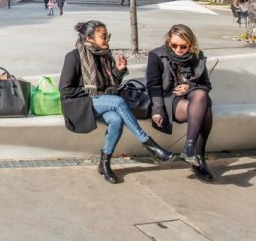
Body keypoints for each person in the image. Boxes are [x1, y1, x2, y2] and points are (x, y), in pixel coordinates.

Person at [59, 20, 176, 184]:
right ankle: (150, 145)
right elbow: (65, 90)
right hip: (79, 104)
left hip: (100, 101)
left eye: (108, 36)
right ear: (89, 38)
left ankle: (105, 163)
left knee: (116, 119)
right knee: (117, 101)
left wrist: (119, 71)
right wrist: (93, 91)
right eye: (103, 36)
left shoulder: (104, 55)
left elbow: (111, 84)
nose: (107, 40)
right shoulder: (73, 56)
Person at [146, 24, 215, 182]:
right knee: (205, 112)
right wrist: (157, 110)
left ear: (191, 44)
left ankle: (190, 148)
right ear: (169, 41)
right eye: (174, 45)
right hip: (170, 100)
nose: (178, 49)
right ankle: (197, 159)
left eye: (183, 46)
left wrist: (190, 86)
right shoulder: (156, 55)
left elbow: (206, 85)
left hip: (194, 99)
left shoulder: (197, 56)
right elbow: (153, 86)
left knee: (201, 95)